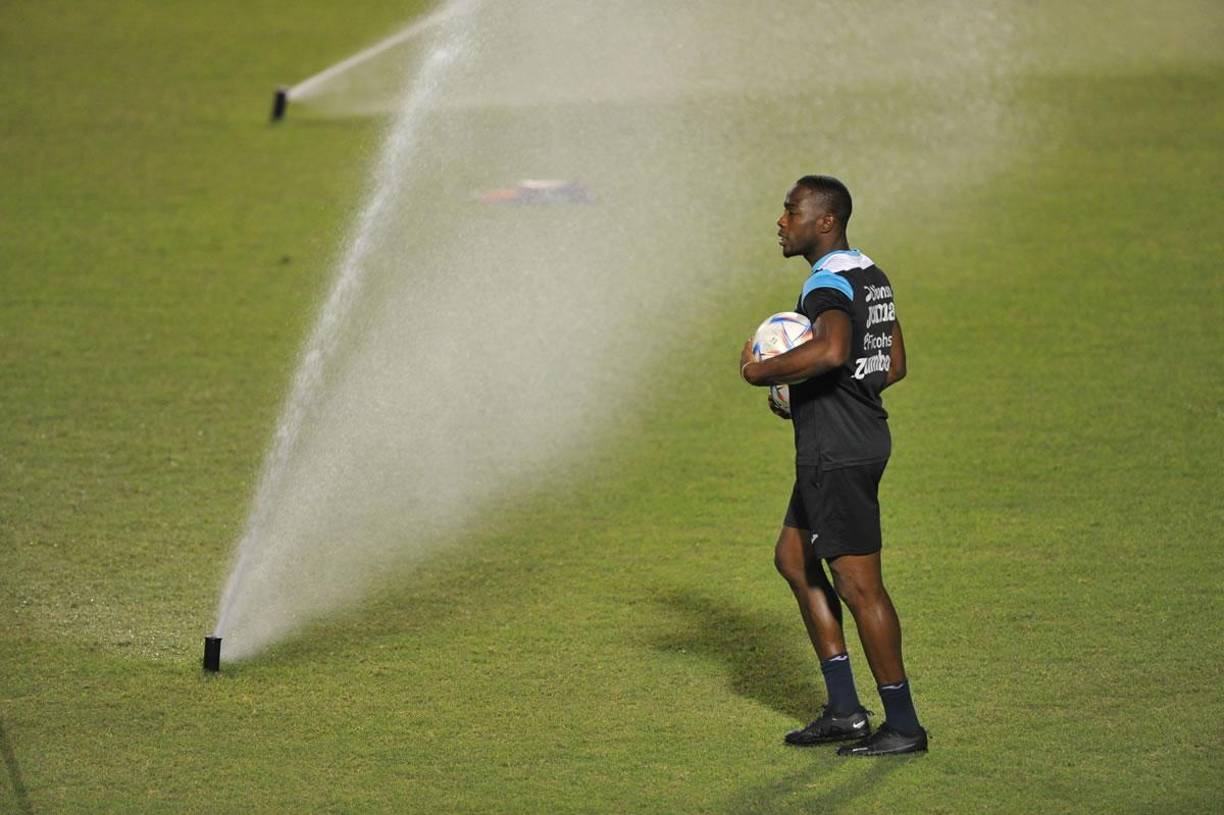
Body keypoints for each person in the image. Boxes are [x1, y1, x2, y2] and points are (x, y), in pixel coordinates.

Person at [738, 175, 927, 756]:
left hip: (837, 453)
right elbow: (890, 364)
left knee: (858, 585)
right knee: (794, 560)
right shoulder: (869, 272)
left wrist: (761, 372)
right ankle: (845, 711)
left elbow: (832, 350)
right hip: (857, 438)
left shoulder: (824, 286)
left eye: (790, 211)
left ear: (825, 222)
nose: (780, 221)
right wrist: (814, 395)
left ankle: (903, 726)